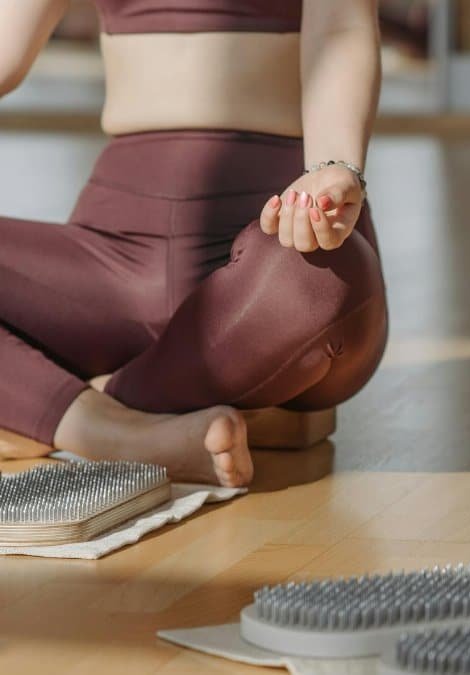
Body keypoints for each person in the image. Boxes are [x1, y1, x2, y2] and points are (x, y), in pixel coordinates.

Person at [0, 0, 388, 487]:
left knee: (323, 282)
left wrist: (333, 167)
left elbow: (342, 26)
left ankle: (54, 399)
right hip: (110, 255)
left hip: (273, 245)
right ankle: (109, 430)